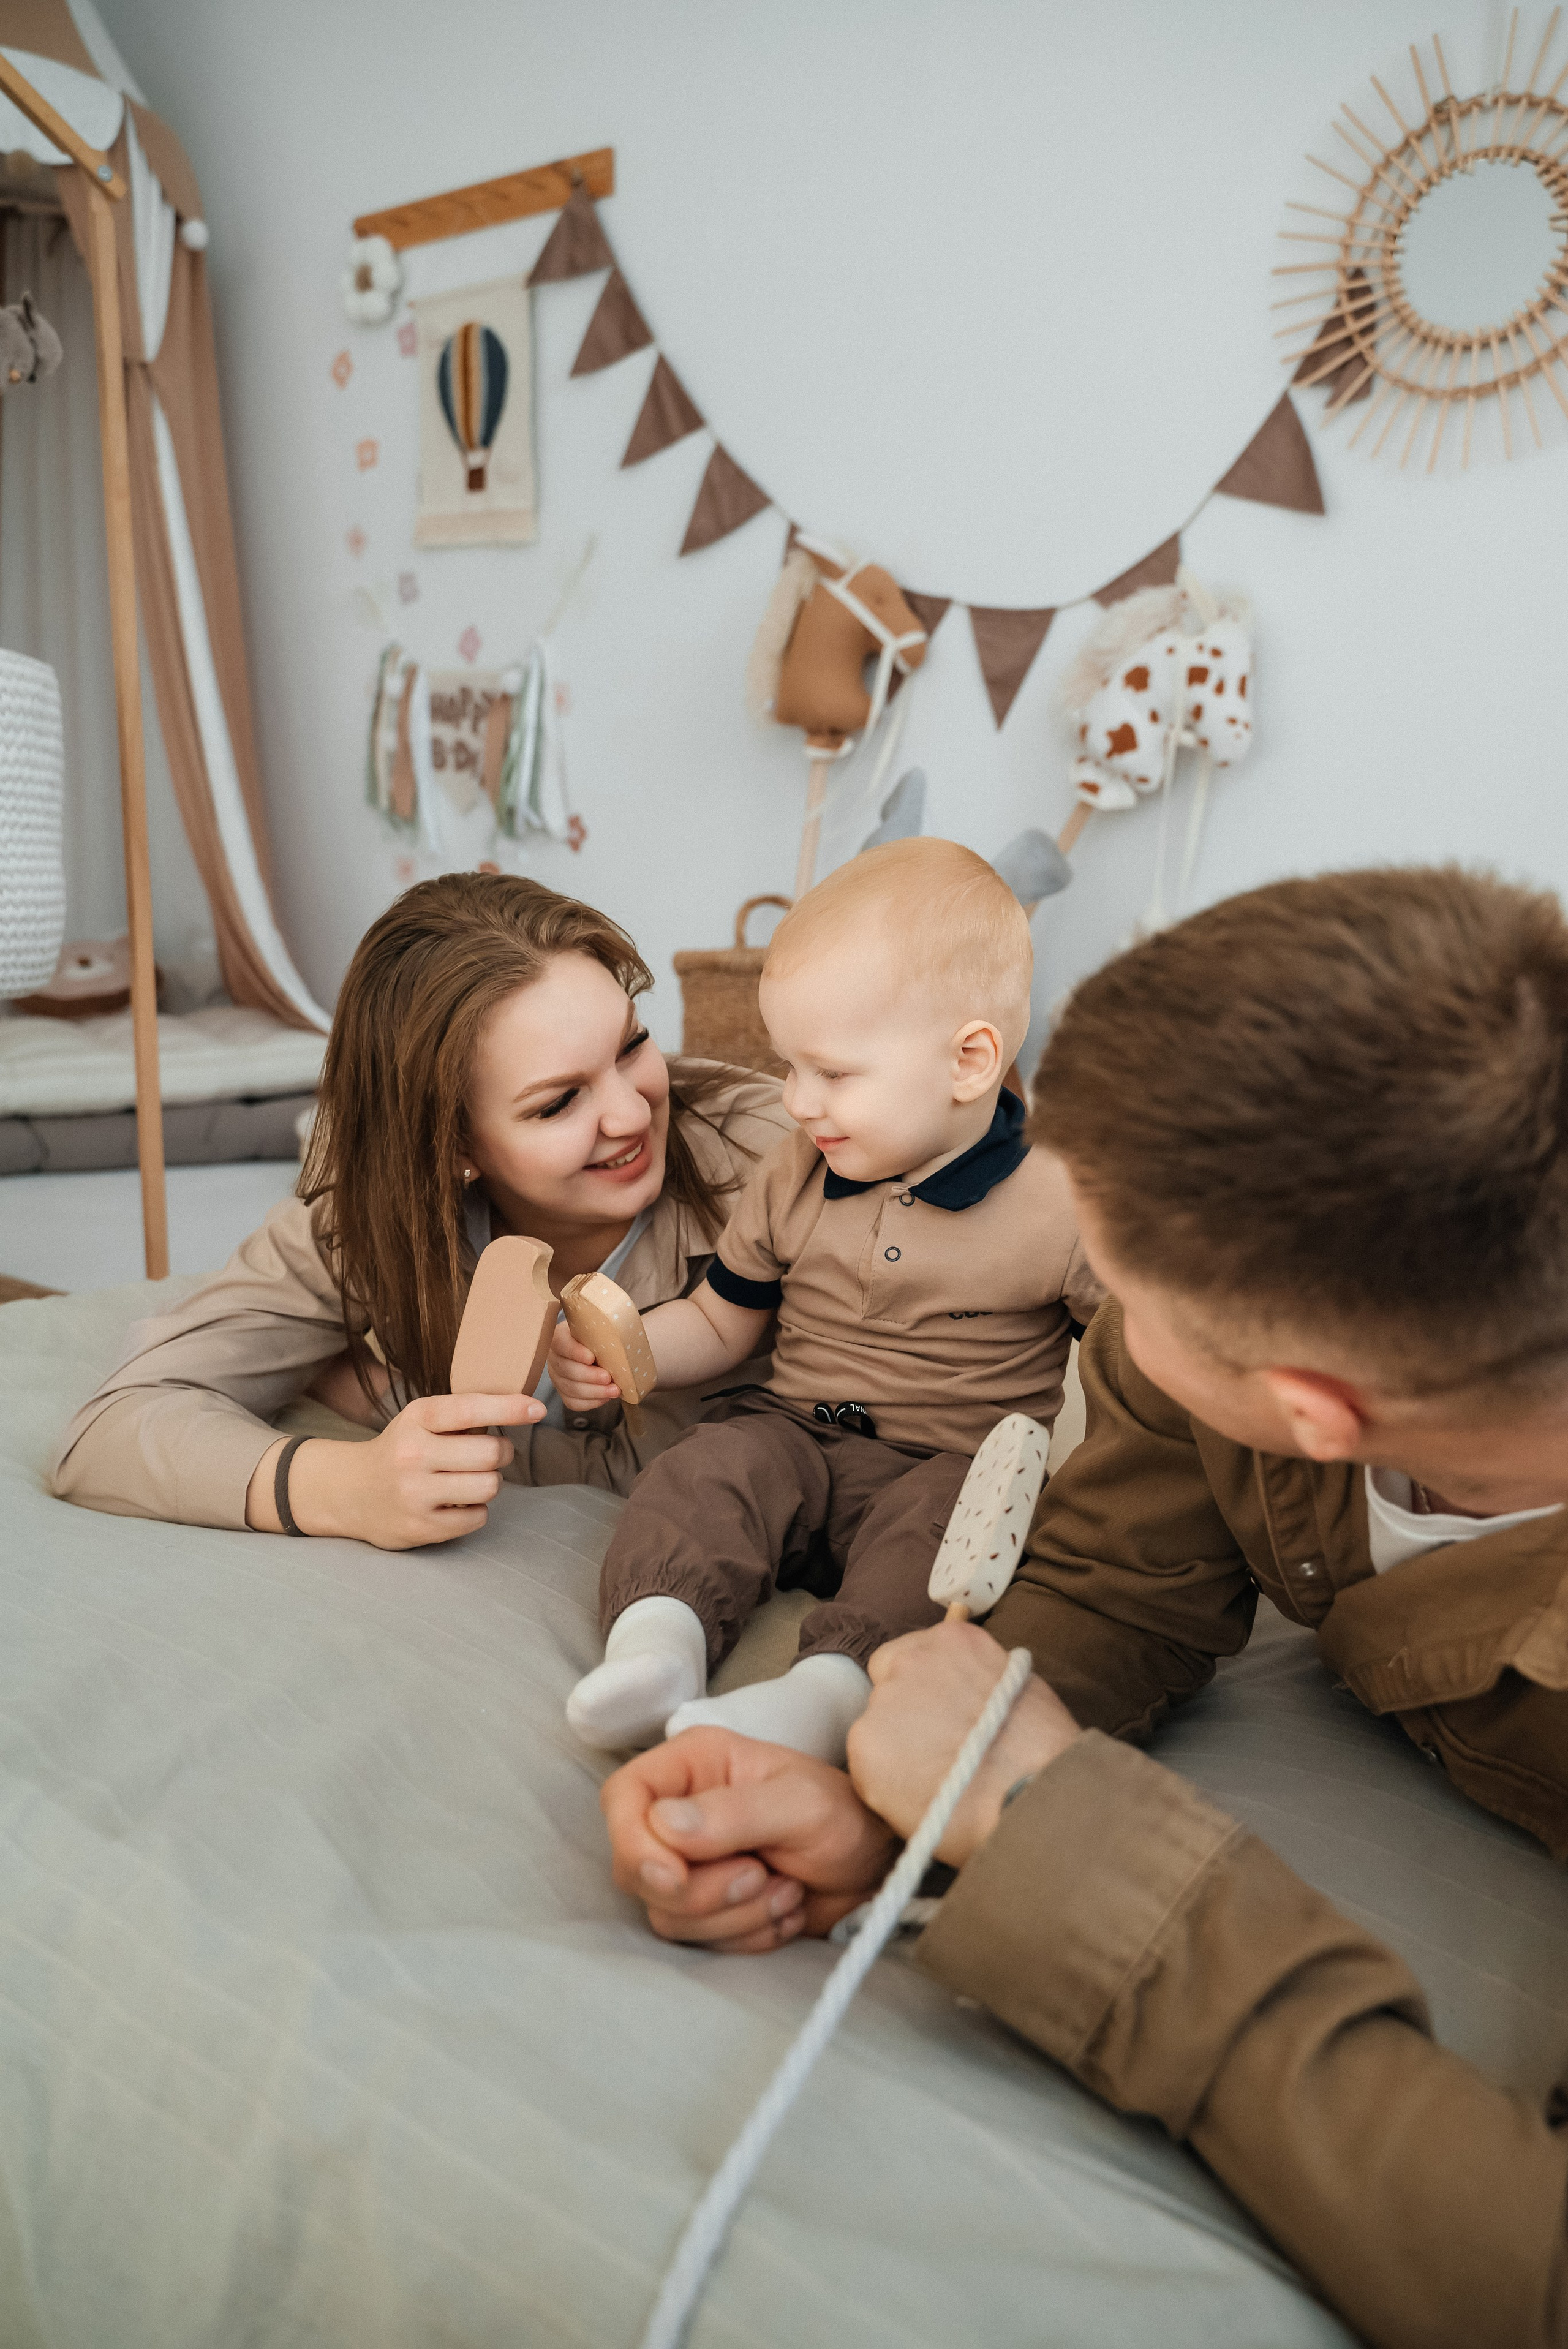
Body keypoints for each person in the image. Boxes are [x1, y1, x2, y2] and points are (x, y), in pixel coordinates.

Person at [600, 867, 1568, 2349]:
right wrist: (885, 1788)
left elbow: (1521, 2262)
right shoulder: (1245, 1348)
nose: (1090, 1297)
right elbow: (1120, 1575)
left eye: (1111, 1284)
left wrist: (1065, 1836)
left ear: (1310, 1409)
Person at [557, 840, 1099, 1759]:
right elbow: (725, 1318)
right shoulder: (797, 1171)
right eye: (789, 1066)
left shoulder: (1060, 1203)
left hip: (948, 1457)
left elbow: (1140, 1360)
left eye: (834, 1072)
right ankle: (658, 1642)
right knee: (706, 1468)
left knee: (945, 1551)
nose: (798, 1100)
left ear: (970, 1062)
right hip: (795, 1430)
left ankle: (827, 1690)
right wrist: (633, 1350)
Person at [53, 873, 788, 1547]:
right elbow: (111, 1431)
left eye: (631, 1046)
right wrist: (340, 1487)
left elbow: (683, 1470)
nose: (630, 1114)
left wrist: (376, 1394)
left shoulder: (781, 1169)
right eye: (559, 1102)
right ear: (450, 1142)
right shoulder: (379, 1208)